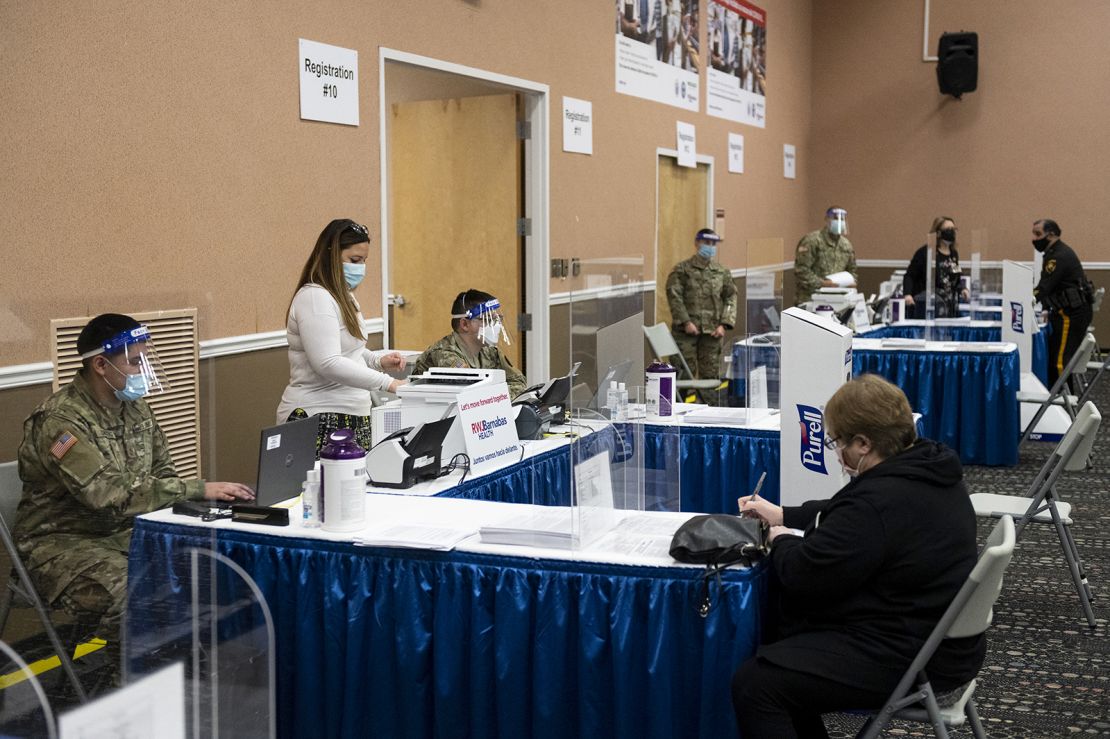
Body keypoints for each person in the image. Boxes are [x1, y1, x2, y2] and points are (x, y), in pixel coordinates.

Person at [731, 374, 981, 738]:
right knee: (783, 652)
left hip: (912, 655)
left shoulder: (879, 503)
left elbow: (803, 575)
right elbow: (842, 511)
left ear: (863, 443)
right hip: (939, 638)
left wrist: (779, 538)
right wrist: (784, 514)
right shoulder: (929, 468)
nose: (836, 453)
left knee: (758, 683)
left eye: (837, 442)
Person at [15, 314, 255, 673]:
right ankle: (135, 693)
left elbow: (163, 475)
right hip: (60, 544)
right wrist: (200, 488)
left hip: (123, 533)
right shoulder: (60, 421)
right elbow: (108, 495)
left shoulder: (134, 407)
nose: (142, 369)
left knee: (207, 564)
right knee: (136, 592)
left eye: (145, 359)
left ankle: (191, 673)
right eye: (134, 361)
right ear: (100, 364)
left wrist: (199, 508)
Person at [277, 219, 407, 451]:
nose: (360, 267)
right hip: (319, 416)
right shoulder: (315, 298)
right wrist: (389, 383)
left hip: (353, 413)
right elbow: (328, 362)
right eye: (354, 260)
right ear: (330, 257)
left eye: (364, 261)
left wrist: (377, 361)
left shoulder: (343, 297)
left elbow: (349, 351)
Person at [413, 289, 527, 399]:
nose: (495, 325)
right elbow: (472, 396)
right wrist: (499, 395)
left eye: (497, 319)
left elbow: (518, 382)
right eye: (487, 320)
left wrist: (496, 396)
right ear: (465, 324)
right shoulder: (445, 355)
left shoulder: (489, 351)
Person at [665, 228, 738, 385]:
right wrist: (686, 322)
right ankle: (680, 408)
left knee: (711, 378)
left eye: (713, 243)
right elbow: (674, 296)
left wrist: (724, 324)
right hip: (686, 333)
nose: (710, 246)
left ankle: (709, 408)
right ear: (697, 243)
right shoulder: (682, 270)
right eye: (706, 243)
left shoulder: (722, 272)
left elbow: (731, 296)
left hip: (712, 333)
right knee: (682, 376)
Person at [1032, 219, 1094, 388]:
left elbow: (1044, 287)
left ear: (1051, 234)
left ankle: (1063, 405)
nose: (1034, 238)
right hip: (1067, 311)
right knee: (1057, 358)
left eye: (1038, 234)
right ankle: (1062, 401)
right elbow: (1052, 289)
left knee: (1059, 362)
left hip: (1071, 314)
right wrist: (1045, 308)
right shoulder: (1054, 252)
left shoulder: (1058, 256)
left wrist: (1026, 299)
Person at [903, 216, 968, 318]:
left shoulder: (953, 254)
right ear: (938, 233)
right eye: (948, 230)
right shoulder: (925, 253)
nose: (951, 232)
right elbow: (910, 275)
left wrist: (963, 289)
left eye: (953, 229)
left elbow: (957, 275)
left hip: (950, 305)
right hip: (930, 305)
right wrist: (907, 294)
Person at [794, 207, 857, 306]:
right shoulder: (812, 241)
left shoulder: (846, 245)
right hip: (812, 299)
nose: (839, 221)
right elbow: (801, 270)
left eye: (842, 219)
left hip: (838, 300)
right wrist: (822, 283)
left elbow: (852, 270)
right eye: (836, 218)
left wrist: (852, 282)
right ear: (827, 219)